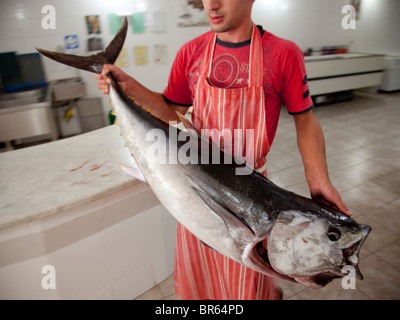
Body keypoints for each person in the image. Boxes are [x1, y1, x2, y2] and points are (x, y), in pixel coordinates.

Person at [96, 0, 351, 300]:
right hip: (197, 186)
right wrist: (128, 86)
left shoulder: (283, 54)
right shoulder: (191, 52)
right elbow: (170, 109)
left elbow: (305, 120)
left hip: (251, 195)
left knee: (248, 286)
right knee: (202, 289)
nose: (212, 5)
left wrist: (319, 180)